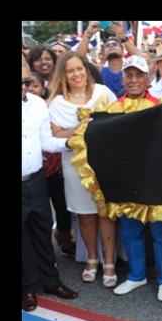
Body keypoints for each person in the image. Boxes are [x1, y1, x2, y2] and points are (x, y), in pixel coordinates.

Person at [46, 51, 120, 289]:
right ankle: (91, 259)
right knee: (86, 215)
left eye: (79, 69)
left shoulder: (103, 93)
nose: (76, 74)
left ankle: (109, 262)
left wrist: (89, 129)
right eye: (70, 71)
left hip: (105, 163)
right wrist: (80, 129)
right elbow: (54, 136)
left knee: (106, 212)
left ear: (86, 71)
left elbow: (117, 123)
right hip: (74, 166)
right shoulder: (56, 104)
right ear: (63, 76)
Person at [110, 56, 162, 301]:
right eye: (129, 75)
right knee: (130, 231)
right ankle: (137, 275)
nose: (134, 80)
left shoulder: (161, 106)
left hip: (155, 181)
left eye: (139, 75)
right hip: (127, 181)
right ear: (123, 78)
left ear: (148, 78)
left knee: (160, 232)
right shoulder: (113, 108)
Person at [21, 58, 79, 311]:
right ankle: (27, 288)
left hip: (36, 180)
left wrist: (70, 143)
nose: (23, 88)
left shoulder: (36, 105)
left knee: (43, 232)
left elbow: (47, 141)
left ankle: (51, 281)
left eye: (26, 82)